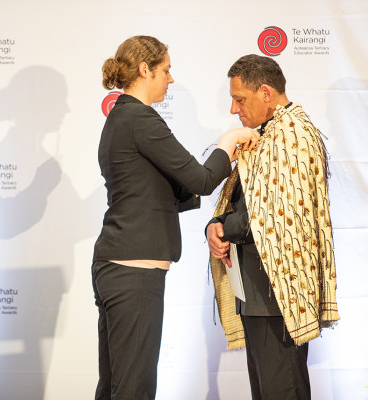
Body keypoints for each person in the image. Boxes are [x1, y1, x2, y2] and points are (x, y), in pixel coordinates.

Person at [92, 35, 259, 400]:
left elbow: (166, 188)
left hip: (117, 264)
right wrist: (229, 141)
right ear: (144, 69)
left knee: (115, 386)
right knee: (133, 388)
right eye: (166, 70)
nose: (171, 78)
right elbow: (200, 178)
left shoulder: (122, 117)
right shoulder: (140, 118)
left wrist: (191, 187)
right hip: (132, 269)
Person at [205, 55, 340, 400]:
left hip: (276, 293)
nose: (234, 108)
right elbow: (249, 202)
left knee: (281, 388)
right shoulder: (270, 133)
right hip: (259, 289)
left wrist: (222, 227)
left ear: (265, 92)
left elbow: (273, 216)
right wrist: (215, 224)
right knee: (269, 389)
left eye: (240, 99)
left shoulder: (289, 133)